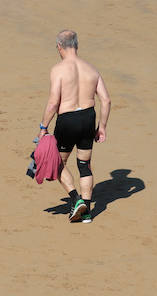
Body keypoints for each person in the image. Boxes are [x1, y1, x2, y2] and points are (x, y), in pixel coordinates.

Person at [37, 30, 111, 223]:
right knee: (84, 165)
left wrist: (43, 126)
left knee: (57, 163)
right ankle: (87, 212)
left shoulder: (58, 70)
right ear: (76, 45)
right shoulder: (92, 69)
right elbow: (106, 100)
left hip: (68, 120)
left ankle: (76, 200)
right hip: (88, 118)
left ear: (59, 47)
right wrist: (102, 127)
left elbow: (54, 102)